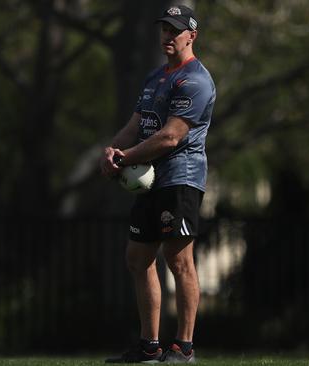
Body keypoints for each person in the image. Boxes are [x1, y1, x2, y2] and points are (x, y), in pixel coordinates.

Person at [100, 5, 216, 364]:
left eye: (175, 30)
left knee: (178, 258)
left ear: (191, 36)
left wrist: (126, 158)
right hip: (151, 181)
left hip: (180, 177)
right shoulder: (155, 78)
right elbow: (137, 124)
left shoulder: (195, 80)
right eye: (164, 29)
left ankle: (184, 347)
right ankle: (150, 346)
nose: (167, 35)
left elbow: (170, 137)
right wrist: (113, 151)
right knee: (137, 258)